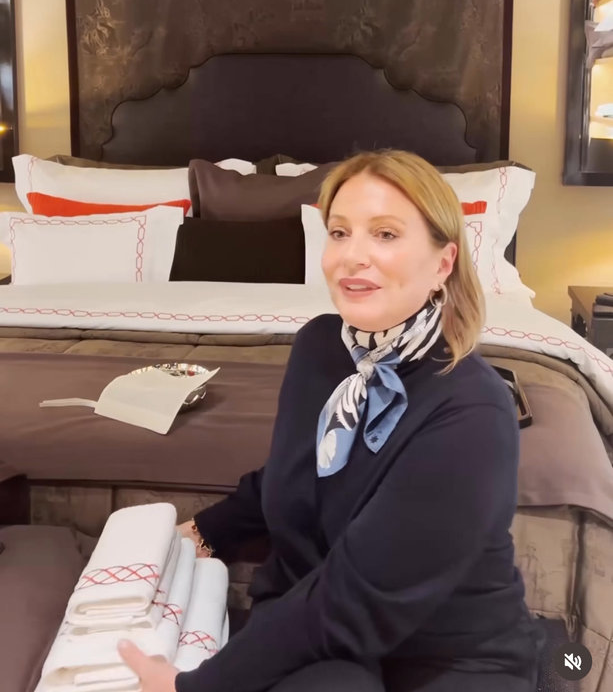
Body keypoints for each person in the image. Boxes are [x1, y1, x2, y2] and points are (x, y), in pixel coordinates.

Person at [119, 150, 542, 692]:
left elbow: (357, 600)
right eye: (339, 233)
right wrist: (204, 532)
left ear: (443, 264)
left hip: (445, 652)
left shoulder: (473, 409)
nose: (352, 256)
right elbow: (305, 468)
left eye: (385, 234)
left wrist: (191, 687)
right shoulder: (319, 346)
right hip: (309, 619)